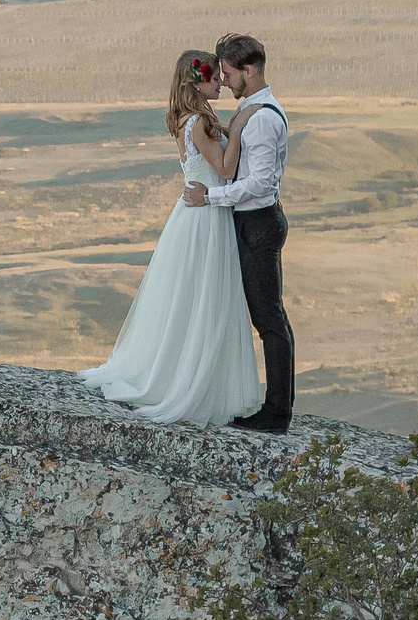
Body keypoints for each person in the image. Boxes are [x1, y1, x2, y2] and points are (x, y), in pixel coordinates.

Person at [76, 49, 267, 426]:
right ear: (198, 82)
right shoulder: (200, 123)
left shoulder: (188, 119)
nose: (221, 82)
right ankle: (188, 383)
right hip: (206, 219)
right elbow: (227, 171)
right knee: (202, 300)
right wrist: (242, 126)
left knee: (190, 299)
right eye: (214, 77)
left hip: (195, 215)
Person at [181, 33, 292, 434]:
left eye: (227, 73)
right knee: (266, 316)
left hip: (258, 223)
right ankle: (274, 408)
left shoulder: (259, 118)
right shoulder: (250, 111)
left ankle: (277, 413)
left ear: (249, 70)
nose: (223, 80)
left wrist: (211, 197)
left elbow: (259, 183)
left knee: (269, 319)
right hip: (250, 222)